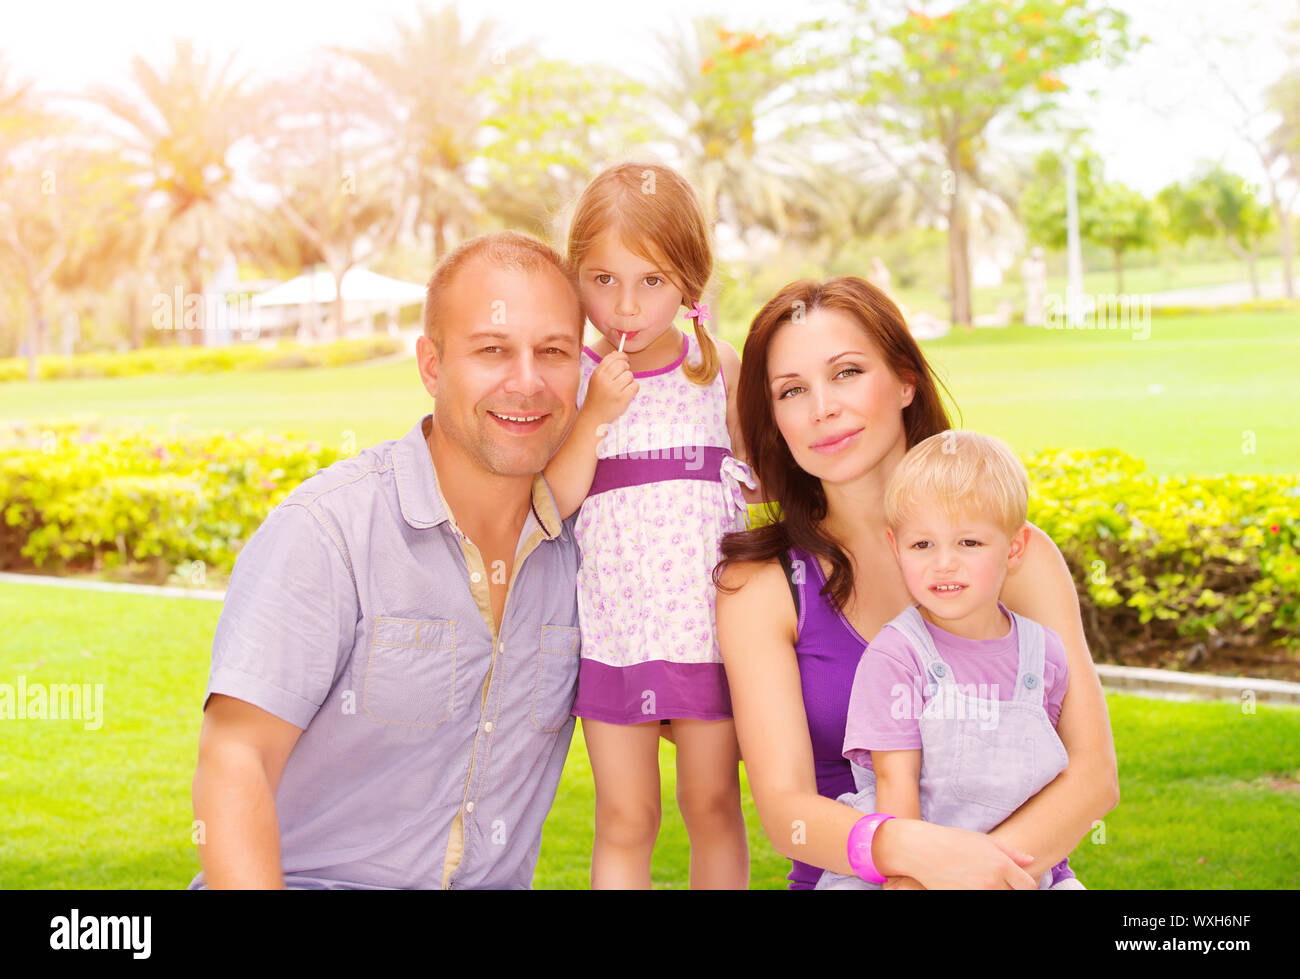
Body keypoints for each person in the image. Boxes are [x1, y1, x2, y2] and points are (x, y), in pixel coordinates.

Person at [189, 231, 586, 889]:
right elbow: (237, 757)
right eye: (492, 350)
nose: (527, 381)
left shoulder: (582, 552)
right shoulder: (328, 531)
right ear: (431, 365)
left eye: (553, 352)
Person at [714, 276, 1119, 889]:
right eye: (792, 390)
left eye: (847, 372)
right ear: (774, 418)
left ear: (905, 379)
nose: (822, 407)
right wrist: (918, 861)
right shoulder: (762, 585)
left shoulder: (1021, 557)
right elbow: (784, 811)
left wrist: (976, 875)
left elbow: (1093, 776)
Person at [542, 162, 757, 889]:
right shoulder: (574, 379)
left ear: (690, 281)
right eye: (602, 280)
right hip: (615, 630)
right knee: (627, 816)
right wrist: (595, 415)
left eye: (652, 281)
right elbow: (557, 500)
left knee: (713, 804)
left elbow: (756, 482)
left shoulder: (718, 367)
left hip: (709, 635)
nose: (626, 306)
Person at [815, 430, 1082, 890]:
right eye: (923, 545)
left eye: (969, 544)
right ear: (895, 546)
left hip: (1025, 873)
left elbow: (1048, 785)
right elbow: (897, 801)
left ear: (1015, 548)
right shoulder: (896, 658)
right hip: (916, 873)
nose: (944, 564)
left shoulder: (1045, 657)